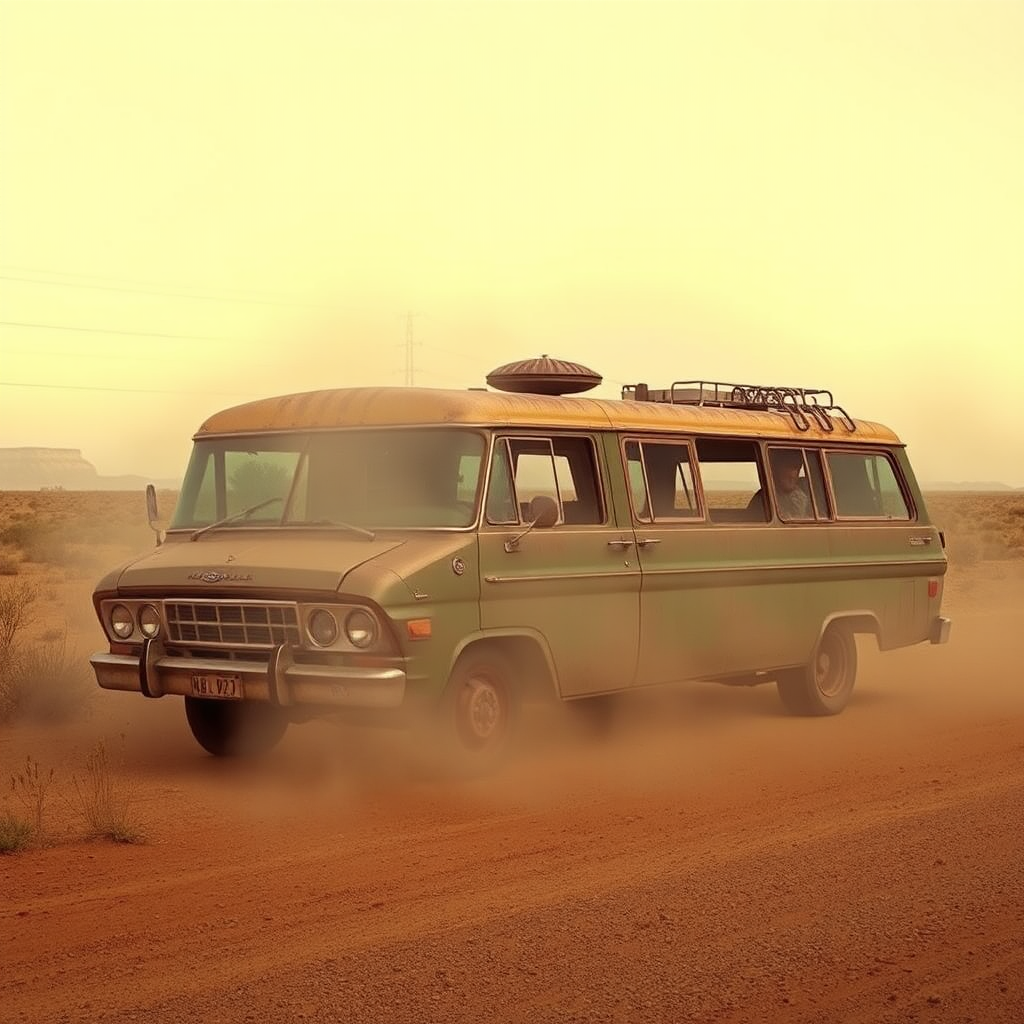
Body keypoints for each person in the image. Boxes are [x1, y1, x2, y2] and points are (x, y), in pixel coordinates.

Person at [769, 448, 812, 519]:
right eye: (787, 468)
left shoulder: (802, 497)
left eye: (796, 469)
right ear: (776, 471)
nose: (792, 475)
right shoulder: (764, 498)